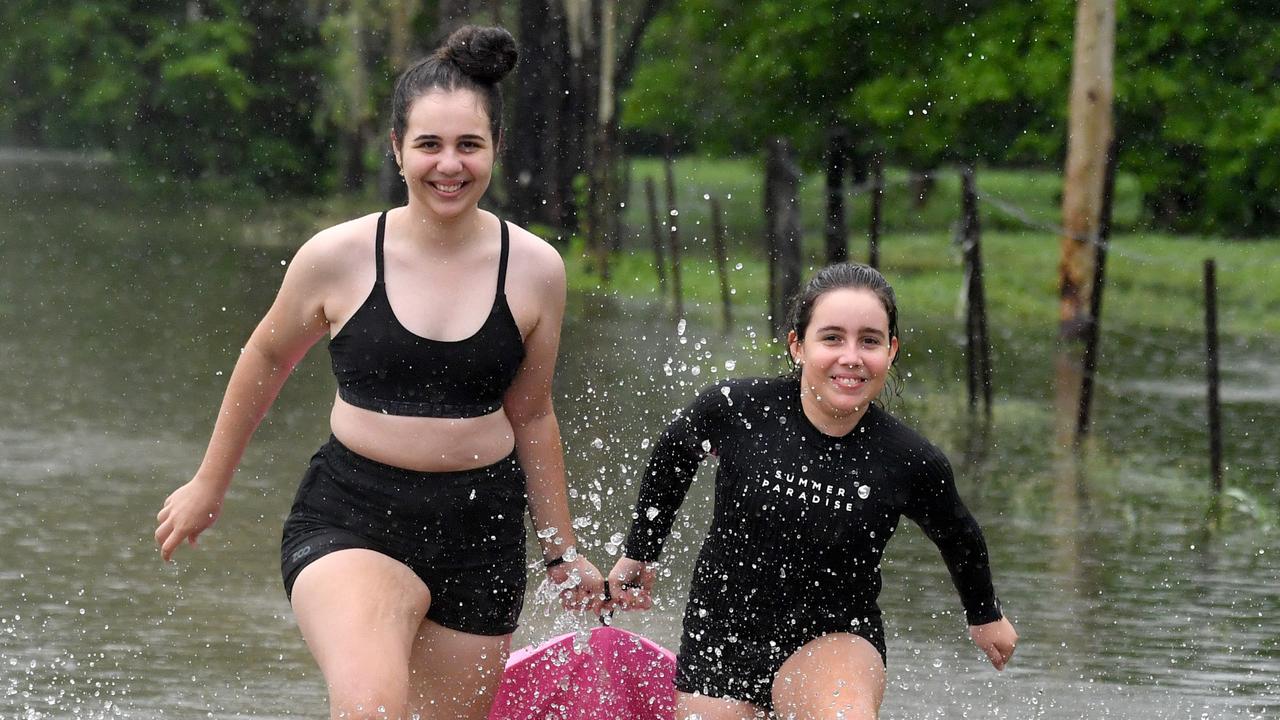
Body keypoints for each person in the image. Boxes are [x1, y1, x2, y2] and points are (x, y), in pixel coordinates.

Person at [153, 25, 604, 720]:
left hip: (479, 532)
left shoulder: (538, 270)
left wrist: (560, 552)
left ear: (495, 151)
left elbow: (533, 413)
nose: (447, 165)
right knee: (370, 707)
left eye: (467, 145)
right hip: (352, 515)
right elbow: (267, 358)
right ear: (396, 149)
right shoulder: (338, 257)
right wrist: (209, 485)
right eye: (428, 144)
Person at [608, 263, 1017, 719]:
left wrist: (985, 616)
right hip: (721, 638)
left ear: (891, 350)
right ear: (797, 345)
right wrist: (640, 552)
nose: (851, 357)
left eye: (869, 340)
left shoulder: (908, 458)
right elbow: (673, 454)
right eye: (832, 338)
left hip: (835, 639)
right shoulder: (737, 409)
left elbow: (957, 533)